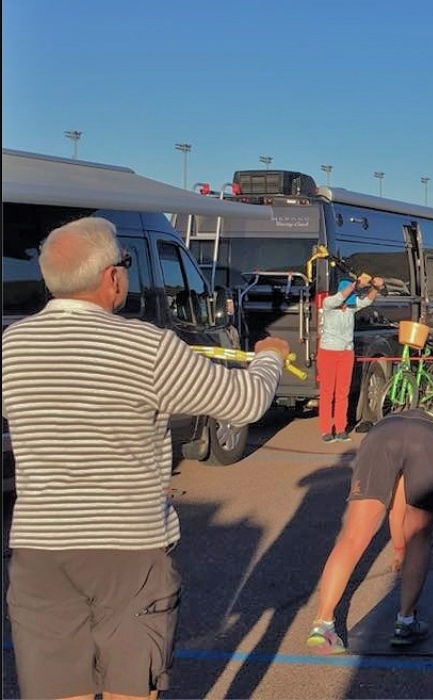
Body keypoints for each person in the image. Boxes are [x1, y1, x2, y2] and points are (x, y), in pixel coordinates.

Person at [1, 216, 289, 700]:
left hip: (39, 550)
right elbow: (243, 403)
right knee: (129, 689)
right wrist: (270, 357)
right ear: (111, 276)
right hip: (127, 548)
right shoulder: (144, 346)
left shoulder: (11, 345)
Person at [306, 409, 433, 653]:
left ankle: (322, 624)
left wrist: (398, 550)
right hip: (430, 442)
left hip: (382, 433)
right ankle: (405, 622)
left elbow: (397, 508)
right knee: (420, 535)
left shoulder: (426, 424)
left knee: (353, 536)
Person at [319, 271, 384, 442]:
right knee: (327, 393)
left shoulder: (351, 307)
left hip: (346, 353)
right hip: (328, 352)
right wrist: (356, 284)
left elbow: (367, 300)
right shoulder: (328, 303)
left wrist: (376, 287)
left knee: (342, 392)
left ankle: (340, 428)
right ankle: (326, 430)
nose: (349, 303)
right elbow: (342, 296)